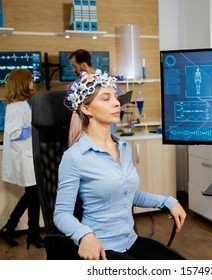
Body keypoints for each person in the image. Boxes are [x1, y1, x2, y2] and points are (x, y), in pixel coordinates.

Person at [54, 70, 187, 260]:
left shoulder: (123, 147)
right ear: (86, 108)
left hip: (130, 241)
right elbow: (61, 214)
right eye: (106, 98)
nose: (116, 102)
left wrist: (168, 201)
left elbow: (129, 194)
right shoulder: (74, 157)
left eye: (116, 97)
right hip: (101, 247)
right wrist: (84, 234)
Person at [0, 69, 44, 249]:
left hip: (28, 156)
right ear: (22, 83)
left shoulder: (21, 104)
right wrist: (35, 127)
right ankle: (14, 229)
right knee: (33, 195)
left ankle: (26, 232)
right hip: (24, 158)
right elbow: (15, 133)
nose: (32, 83)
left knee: (33, 196)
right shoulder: (17, 106)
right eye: (30, 80)